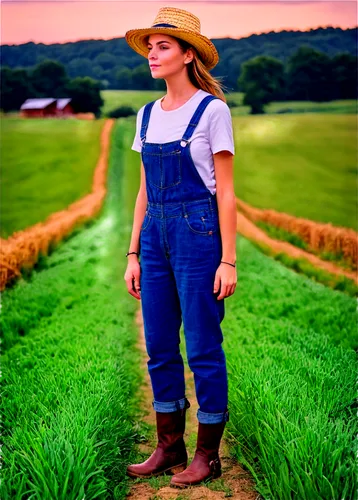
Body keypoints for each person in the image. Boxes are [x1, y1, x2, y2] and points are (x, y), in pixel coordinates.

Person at [123, 6, 237, 488]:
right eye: (150, 45)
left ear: (189, 55)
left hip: (199, 234)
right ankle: (170, 447)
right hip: (154, 239)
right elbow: (144, 192)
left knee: (204, 348)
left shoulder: (213, 111)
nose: (153, 51)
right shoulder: (146, 115)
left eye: (163, 45)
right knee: (159, 346)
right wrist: (132, 253)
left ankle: (207, 455)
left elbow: (226, 191)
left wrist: (229, 259)